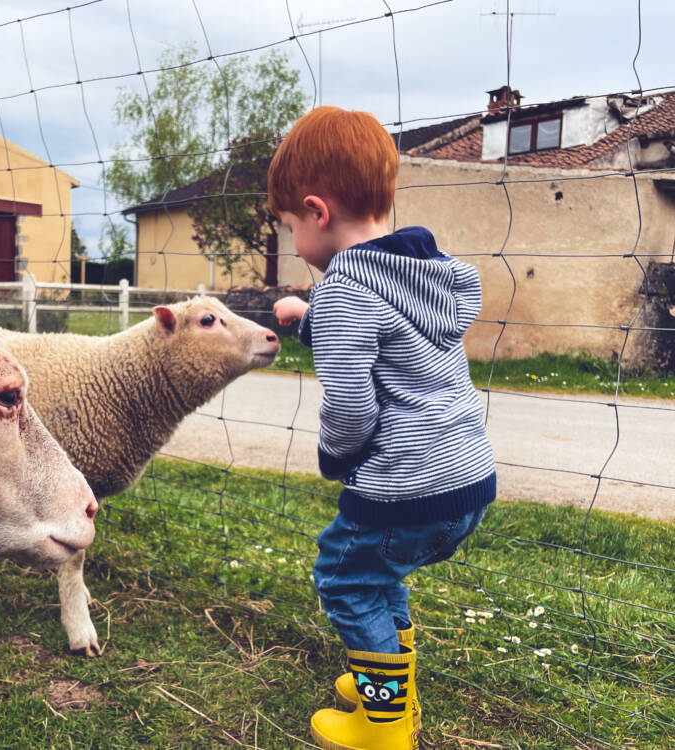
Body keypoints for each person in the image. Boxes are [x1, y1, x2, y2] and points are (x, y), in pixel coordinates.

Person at [269, 106, 496, 750]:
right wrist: (307, 315)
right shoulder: (423, 274)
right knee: (381, 577)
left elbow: (351, 409)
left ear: (316, 212)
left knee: (345, 579)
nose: (294, 242)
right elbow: (388, 337)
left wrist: (334, 457)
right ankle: (391, 687)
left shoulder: (343, 290)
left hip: (404, 488)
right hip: (467, 482)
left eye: (290, 228)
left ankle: (384, 724)